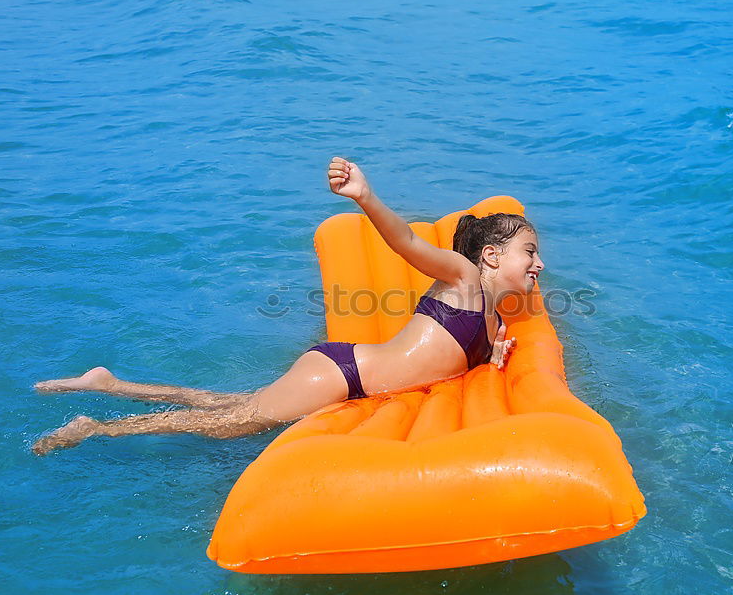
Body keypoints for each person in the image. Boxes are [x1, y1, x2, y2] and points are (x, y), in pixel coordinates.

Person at [31, 157, 544, 455]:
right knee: (228, 424)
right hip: (344, 376)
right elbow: (406, 243)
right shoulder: (464, 278)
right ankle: (95, 428)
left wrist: (492, 356)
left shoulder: (494, 316)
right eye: (530, 252)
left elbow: (462, 360)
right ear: (492, 255)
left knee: (226, 403)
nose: (540, 264)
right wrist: (364, 196)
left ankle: (110, 385)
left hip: (345, 372)